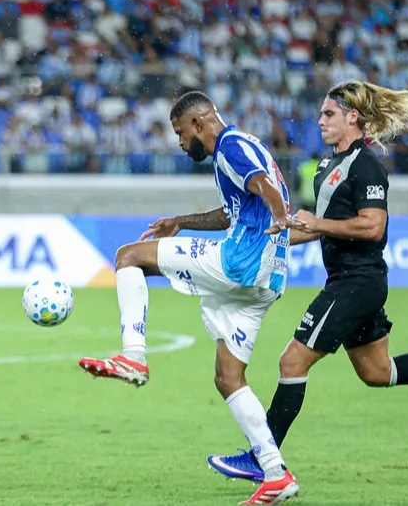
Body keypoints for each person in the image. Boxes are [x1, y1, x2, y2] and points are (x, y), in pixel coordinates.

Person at [205, 80, 408, 484]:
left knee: (291, 361)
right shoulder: (324, 168)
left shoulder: (366, 164)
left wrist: (318, 223)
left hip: (357, 281)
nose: (320, 121)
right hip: (352, 281)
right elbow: (315, 228)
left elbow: (373, 226)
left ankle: (264, 458)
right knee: (377, 372)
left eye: (329, 114)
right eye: (320, 114)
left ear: (353, 117)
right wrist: (276, 234)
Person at [78, 91, 300, 505]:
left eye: (180, 133)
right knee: (228, 378)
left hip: (240, 264)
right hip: (266, 282)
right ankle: (275, 473)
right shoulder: (245, 147)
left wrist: (280, 215)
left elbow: (263, 186)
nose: (181, 144)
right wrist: (180, 222)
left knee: (129, 257)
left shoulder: (231, 146)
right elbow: (232, 210)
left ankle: (134, 355)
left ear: (198, 124)